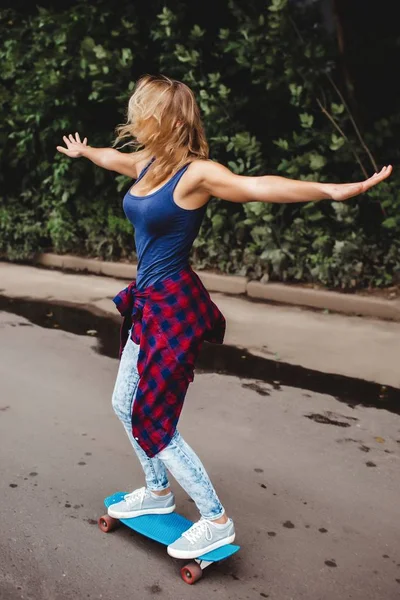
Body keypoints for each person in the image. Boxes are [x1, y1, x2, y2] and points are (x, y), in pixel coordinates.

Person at [56, 74, 392, 559]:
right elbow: (116, 160)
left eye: (142, 111)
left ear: (164, 118)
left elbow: (256, 187)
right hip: (147, 301)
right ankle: (156, 492)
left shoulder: (195, 174)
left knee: (153, 417)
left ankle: (214, 519)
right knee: (122, 402)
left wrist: (330, 190)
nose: (133, 120)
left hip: (172, 308)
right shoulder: (148, 162)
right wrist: (86, 153)